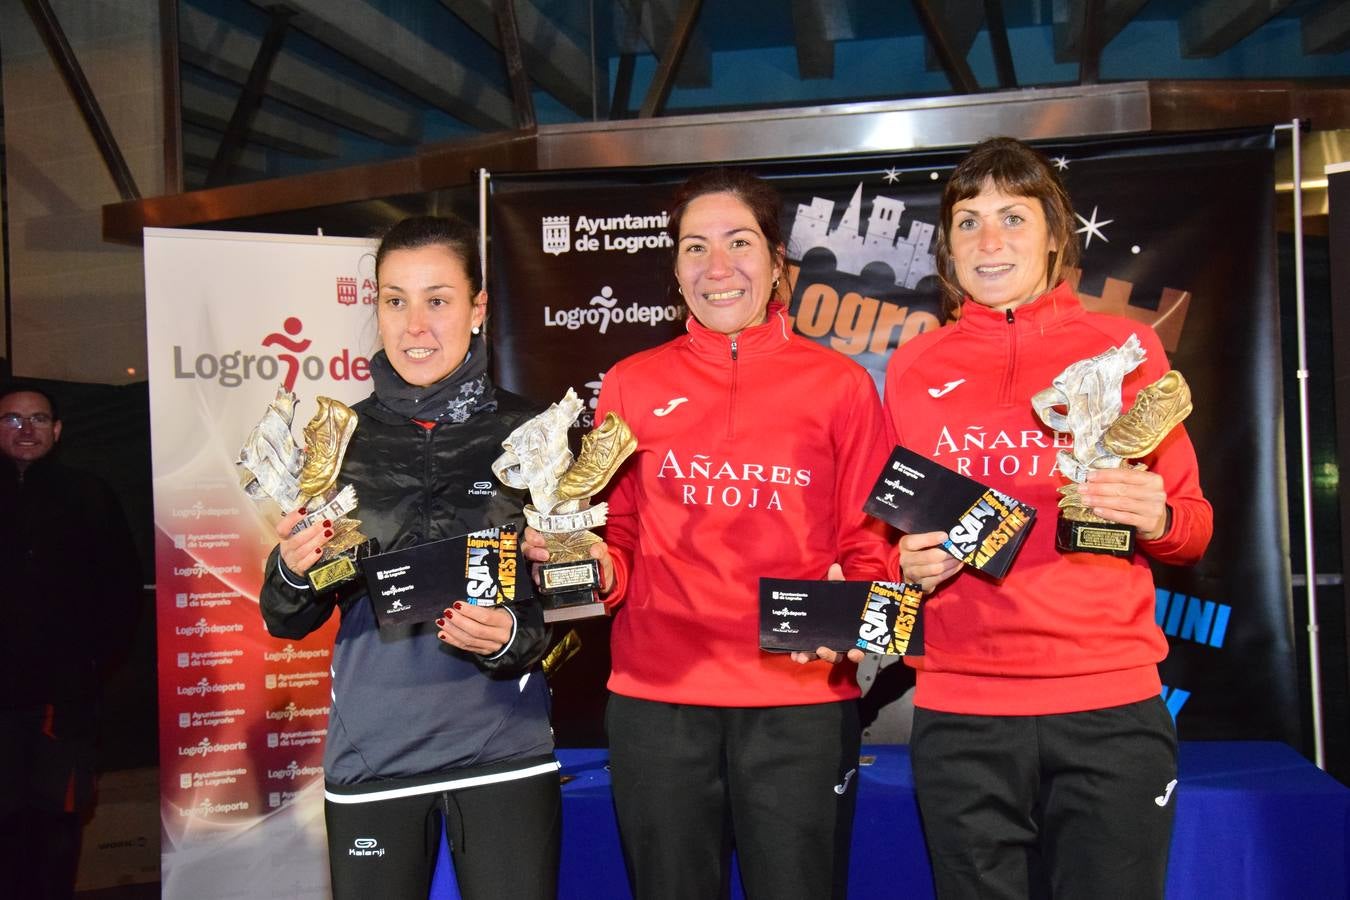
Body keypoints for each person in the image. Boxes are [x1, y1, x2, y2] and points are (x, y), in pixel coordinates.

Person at [527, 169, 895, 899]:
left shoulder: (841, 386)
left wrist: (866, 624)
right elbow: (620, 535)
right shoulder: (631, 383)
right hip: (659, 704)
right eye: (695, 247)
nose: (717, 268)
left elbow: (872, 544)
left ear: (777, 261)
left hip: (800, 702)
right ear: (674, 268)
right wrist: (591, 566)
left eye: (738, 243)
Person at [882, 137, 1213, 898]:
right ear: (946, 246)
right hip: (960, 712)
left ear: (1056, 234)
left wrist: (1157, 516)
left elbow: (1193, 528)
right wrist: (906, 564)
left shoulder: (1125, 348)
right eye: (968, 221)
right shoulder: (914, 367)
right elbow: (886, 539)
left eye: (1012, 217)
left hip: (1108, 707)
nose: (989, 241)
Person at [259, 216, 559, 900]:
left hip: (503, 750)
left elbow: (563, 599)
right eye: (395, 300)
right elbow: (286, 618)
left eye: (438, 299)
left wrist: (514, 636)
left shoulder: (534, 433)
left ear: (478, 308)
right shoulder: (339, 441)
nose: (415, 324)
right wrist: (293, 570)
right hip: (374, 753)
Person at [0, 384, 141, 900]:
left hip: (64, 702)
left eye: (37, 419)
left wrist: (90, 667)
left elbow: (122, 593)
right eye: (12, 420)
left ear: (56, 431)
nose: (26, 429)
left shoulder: (89, 494)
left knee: (56, 830)